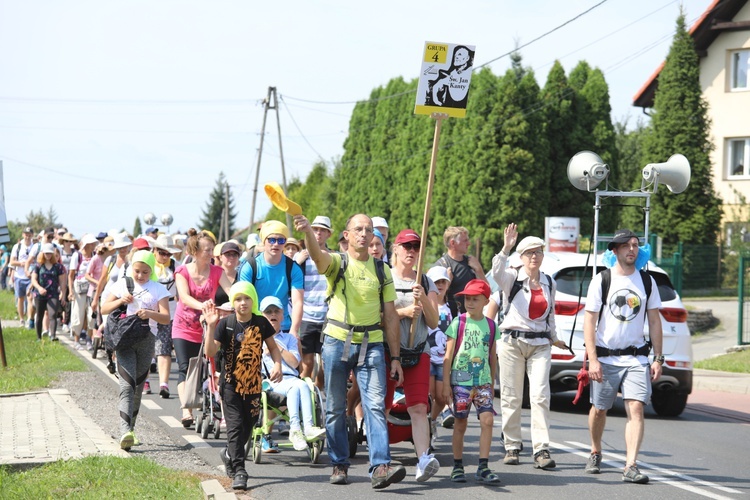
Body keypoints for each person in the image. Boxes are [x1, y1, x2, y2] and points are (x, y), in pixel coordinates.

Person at [294, 213, 406, 489]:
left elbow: (390, 317)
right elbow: (317, 257)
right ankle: (339, 464)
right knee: (334, 407)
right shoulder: (337, 262)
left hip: (373, 345)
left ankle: (380, 466)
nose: (364, 234)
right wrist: (308, 232)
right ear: (346, 235)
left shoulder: (382, 270)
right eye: (358, 229)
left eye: (368, 230)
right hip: (336, 341)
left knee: (375, 406)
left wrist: (395, 357)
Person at [583, 229, 663, 484]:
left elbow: (654, 320)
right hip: (606, 358)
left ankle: (630, 465)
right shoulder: (602, 280)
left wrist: (658, 358)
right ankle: (596, 450)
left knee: (636, 408)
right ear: (615, 250)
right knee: (600, 409)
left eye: (635, 245)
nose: (631, 249)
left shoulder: (647, 281)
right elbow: (590, 321)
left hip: (636, 359)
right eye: (626, 245)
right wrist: (593, 359)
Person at [491, 224, 568, 470]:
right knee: (512, 397)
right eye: (529, 253)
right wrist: (506, 248)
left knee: (540, 396)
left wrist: (554, 338)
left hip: (540, 345)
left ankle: (541, 449)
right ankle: (512, 446)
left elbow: (550, 315)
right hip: (512, 343)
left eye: (538, 252)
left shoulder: (549, 282)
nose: (534, 257)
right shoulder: (512, 276)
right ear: (521, 257)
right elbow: (496, 272)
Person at [203, 282, 283, 491]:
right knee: (235, 427)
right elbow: (210, 352)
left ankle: (230, 454)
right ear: (233, 302)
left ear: (253, 300)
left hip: (254, 386)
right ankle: (240, 470)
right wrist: (211, 326)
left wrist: (277, 364)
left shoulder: (261, 323)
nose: (243, 303)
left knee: (248, 426)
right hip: (230, 385)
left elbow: (273, 348)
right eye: (238, 299)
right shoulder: (225, 324)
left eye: (247, 298)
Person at [101, 250, 170, 451]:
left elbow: (166, 318)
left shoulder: (158, 289)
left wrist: (149, 313)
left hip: (146, 339)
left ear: (151, 271)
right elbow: (104, 309)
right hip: (124, 339)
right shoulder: (123, 283)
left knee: (138, 386)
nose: (140, 276)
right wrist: (121, 300)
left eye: (145, 272)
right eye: (137, 271)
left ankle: (131, 430)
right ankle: (124, 430)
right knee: (126, 384)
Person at [385, 229, 440, 482]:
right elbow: (378, 317)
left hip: (418, 351)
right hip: (389, 351)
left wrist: (424, 301)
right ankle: (382, 461)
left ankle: (423, 459)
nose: (411, 251)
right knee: (382, 407)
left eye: (416, 247)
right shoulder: (385, 278)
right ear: (395, 249)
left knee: (418, 407)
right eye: (406, 246)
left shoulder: (425, 281)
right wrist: (404, 311)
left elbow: (433, 321)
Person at [442, 279, 500, 484]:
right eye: (467, 298)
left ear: (486, 301)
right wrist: (446, 384)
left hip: (483, 382)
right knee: (460, 423)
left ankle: (483, 466)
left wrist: (492, 383)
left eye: (475, 299)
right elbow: (448, 354)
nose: (470, 302)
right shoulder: (459, 322)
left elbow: (492, 357)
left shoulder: (492, 326)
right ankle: (457, 466)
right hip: (461, 382)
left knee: (488, 421)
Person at [172, 230, 232, 426]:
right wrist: (204, 306)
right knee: (185, 368)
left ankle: (216, 404)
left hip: (208, 326)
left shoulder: (217, 272)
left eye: (212, 249)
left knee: (208, 369)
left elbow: (232, 292)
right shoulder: (183, 271)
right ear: (195, 251)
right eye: (207, 250)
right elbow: (184, 297)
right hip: (184, 326)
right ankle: (186, 409)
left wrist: (237, 304)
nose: (211, 253)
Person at [260, 295, 326, 450]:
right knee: (297, 386)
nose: (273, 314)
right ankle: (296, 429)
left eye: (276, 311)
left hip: (291, 378)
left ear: (283, 315)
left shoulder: (289, 339)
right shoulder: (258, 338)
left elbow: (295, 362)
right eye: (268, 312)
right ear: (262, 316)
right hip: (270, 381)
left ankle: (305, 428)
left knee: (302, 385)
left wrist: (276, 347)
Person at [238, 220, 303, 337]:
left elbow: (297, 302)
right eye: (272, 240)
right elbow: (243, 301)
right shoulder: (250, 267)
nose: (276, 244)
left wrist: (294, 330)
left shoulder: (293, 268)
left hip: (283, 327)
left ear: (285, 243)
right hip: (254, 326)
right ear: (264, 241)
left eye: (281, 240)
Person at [294, 215, 332, 385]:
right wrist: (296, 262)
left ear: (328, 234)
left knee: (326, 365)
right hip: (306, 317)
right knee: (307, 364)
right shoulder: (299, 258)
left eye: (322, 230)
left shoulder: (333, 257)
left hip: (328, 317)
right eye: (315, 229)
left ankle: (318, 397)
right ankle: (304, 398)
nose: (318, 233)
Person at [434, 226, 487, 318]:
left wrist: (479, 270)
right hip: (449, 322)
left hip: (471, 320)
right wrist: (447, 282)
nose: (469, 243)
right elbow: (434, 298)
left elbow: (487, 292)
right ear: (453, 243)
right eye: (465, 241)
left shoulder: (472, 263)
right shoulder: (441, 266)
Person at [425, 265, 452, 441]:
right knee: (429, 395)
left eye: (443, 281)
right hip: (427, 356)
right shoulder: (426, 304)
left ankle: (432, 421)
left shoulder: (453, 307)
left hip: (444, 359)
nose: (440, 285)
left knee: (442, 398)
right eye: (436, 282)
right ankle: (426, 428)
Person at [152, 234, 181, 398]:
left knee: (164, 348)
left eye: (168, 254)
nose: (164, 256)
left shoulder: (176, 266)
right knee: (148, 348)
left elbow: (181, 289)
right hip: (149, 311)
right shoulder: (148, 265)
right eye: (162, 252)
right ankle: (145, 380)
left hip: (169, 311)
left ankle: (164, 384)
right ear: (154, 250)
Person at [30, 243, 67, 341]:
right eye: (46, 253)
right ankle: (38, 337)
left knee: (52, 314)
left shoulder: (58, 267)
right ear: (43, 253)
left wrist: (62, 294)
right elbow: (33, 280)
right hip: (40, 294)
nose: (48, 255)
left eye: (50, 253)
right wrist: (39, 288)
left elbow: (62, 281)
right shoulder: (38, 266)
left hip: (53, 293)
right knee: (40, 314)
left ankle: (53, 335)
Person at [69, 233, 98, 348]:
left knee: (91, 313)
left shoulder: (95, 255)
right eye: (91, 243)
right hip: (79, 287)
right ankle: (76, 339)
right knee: (78, 312)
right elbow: (71, 275)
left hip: (92, 287)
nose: (93, 245)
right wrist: (71, 291)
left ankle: (88, 339)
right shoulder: (77, 256)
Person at [426, 45, 475, 109]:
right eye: (455, 55)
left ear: (467, 58)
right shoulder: (453, 73)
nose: (456, 57)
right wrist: (436, 100)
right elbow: (439, 84)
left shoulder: (470, 72)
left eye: (459, 54)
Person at [10, 227, 34, 328]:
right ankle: (21, 319)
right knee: (20, 298)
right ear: (23, 235)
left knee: (30, 298)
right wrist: (22, 263)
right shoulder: (17, 247)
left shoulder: (35, 247)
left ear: (32, 235)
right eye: (26, 234)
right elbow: (12, 262)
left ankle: (29, 319)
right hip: (19, 276)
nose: (27, 236)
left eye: (29, 234)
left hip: (30, 276)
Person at [213, 241, 242, 306]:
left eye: (234, 255)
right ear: (220, 257)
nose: (231, 257)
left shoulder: (242, 276)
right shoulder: (213, 275)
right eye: (228, 254)